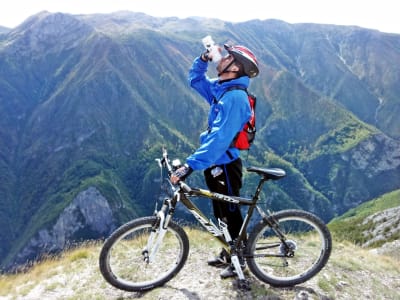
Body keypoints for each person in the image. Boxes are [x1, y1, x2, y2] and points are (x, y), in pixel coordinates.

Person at [170, 42, 259, 278]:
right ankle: (229, 252)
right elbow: (195, 79)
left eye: (227, 56)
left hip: (227, 166)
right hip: (214, 164)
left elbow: (219, 140)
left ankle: (240, 260)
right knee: (220, 209)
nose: (221, 57)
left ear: (236, 67)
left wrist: (190, 165)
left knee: (231, 212)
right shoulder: (222, 89)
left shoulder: (235, 98)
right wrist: (202, 58)